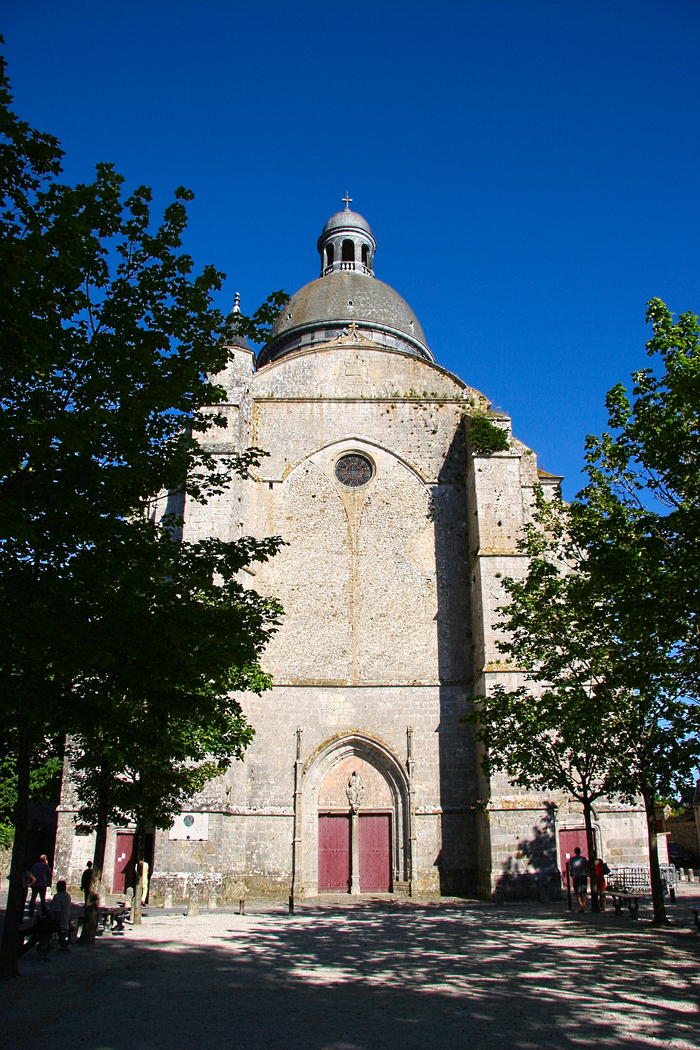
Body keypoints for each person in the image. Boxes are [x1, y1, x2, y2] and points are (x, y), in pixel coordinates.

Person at [50, 880, 73, 951]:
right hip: (65, 920)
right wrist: (69, 923)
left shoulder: (57, 897)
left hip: (58, 921)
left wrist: (58, 925)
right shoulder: (67, 896)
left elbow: (57, 912)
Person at [568, 847, 589, 912]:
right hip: (583, 876)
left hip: (576, 877)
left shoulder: (572, 859)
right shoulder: (584, 859)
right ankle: (583, 906)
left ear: (575, 852)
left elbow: (570, 868)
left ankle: (581, 906)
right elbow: (587, 867)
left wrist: (571, 873)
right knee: (583, 892)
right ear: (580, 852)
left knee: (577, 893)